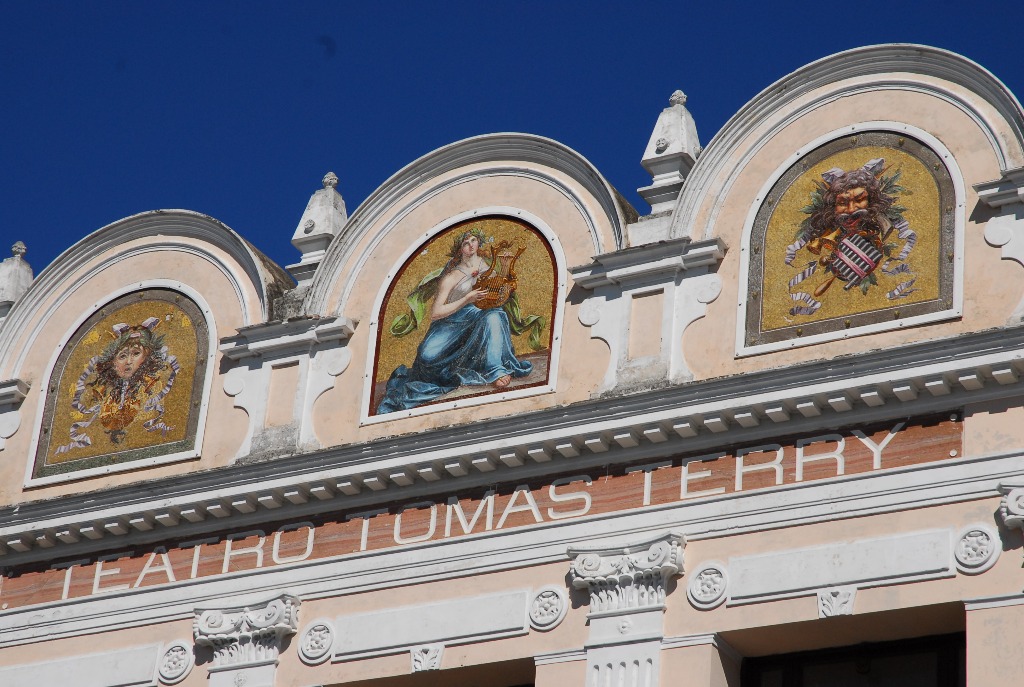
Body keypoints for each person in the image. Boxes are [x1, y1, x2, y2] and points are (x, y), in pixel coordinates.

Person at [377, 228, 535, 414]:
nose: (470, 246)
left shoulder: (489, 268)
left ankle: (495, 369)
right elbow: (436, 313)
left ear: (479, 243)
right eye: (465, 243)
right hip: (451, 323)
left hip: (479, 317)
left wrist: (507, 266)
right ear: (459, 248)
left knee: (496, 315)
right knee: (428, 356)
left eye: (474, 241)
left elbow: (501, 293)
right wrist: (467, 299)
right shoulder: (451, 277)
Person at [56, 317, 179, 452]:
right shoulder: (103, 395)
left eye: (136, 354)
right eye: (122, 356)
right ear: (113, 363)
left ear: (147, 357)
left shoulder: (153, 389)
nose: (128, 361)